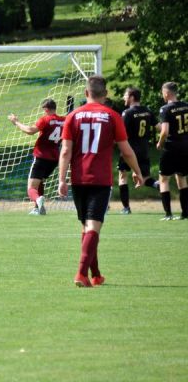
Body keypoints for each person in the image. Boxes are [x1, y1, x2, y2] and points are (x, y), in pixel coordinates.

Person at [58, 75, 144, 288]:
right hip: (101, 180)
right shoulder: (113, 116)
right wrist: (138, 172)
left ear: (86, 93)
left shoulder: (73, 116)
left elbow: (66, 151)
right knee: (93, 227)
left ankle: (95, 274)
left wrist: (61, 179)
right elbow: (126, 151)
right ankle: (80, 273)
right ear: (105, 95)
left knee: (87, 228)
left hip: (78, 179)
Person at [8, 98, 65, 215]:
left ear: (45, 109)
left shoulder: (45, 119)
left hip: (41, 156)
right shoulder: (64, 120)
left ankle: (38, 200)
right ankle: (37, 208)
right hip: (54, 158)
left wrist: (16, 122)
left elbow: (30, 131)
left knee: (31, 188)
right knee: (40, 182)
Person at [117, 87, 160, 214]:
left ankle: (126, 208)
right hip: (144, 150)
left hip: (129, 150)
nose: (123, 97)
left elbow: (121, 134)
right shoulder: (147, 111)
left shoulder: (127, 113)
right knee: (146, 178)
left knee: (122, 176)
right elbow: (159, 127)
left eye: (125, 95)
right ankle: (160, 186)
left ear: (131, 97)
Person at [156, 82, 188, 221]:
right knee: (182, 178)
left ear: (167, 93)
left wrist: (159, 143)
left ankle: (168, 214)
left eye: (163, 92)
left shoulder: (165, 109)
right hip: (185, 146)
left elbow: (164, 131)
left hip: (171, 147)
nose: (162, 95)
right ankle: (185, 213)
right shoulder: (186, 106)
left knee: (163, 179)